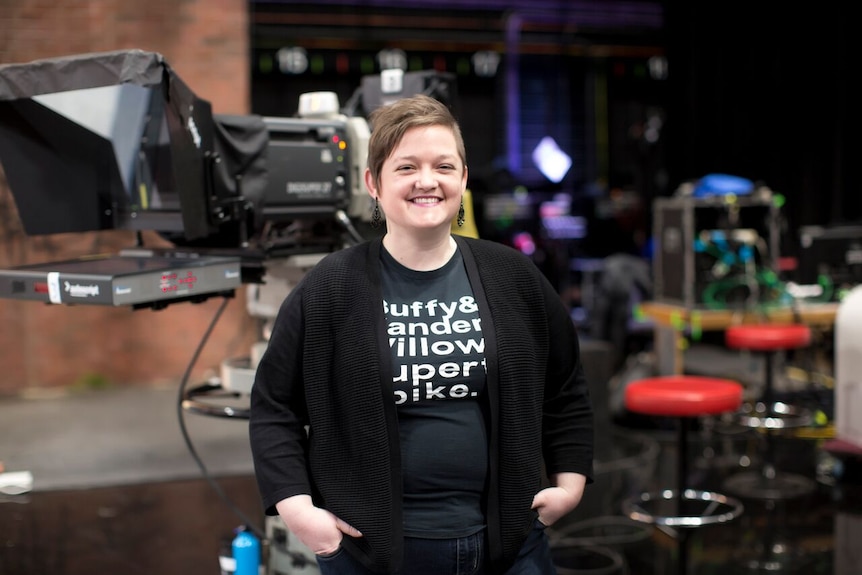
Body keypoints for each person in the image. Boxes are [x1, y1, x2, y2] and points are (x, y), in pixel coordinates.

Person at [249, 94, 594, 575]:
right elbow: (273, 407)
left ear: (464, 179)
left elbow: (566, 386)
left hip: (510, 545)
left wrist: (571, 480)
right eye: (406, 167)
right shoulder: (329, 288)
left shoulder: (512, 276)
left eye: (443, 166)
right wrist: (297, 510)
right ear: (373, 183)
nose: (427, 181)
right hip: (372, 551)